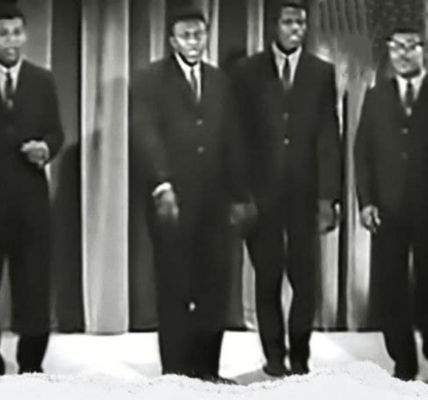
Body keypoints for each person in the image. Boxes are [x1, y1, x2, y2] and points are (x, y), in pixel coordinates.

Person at [131, 3, 250, 383]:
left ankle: (207, 369)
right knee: (175, 287)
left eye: (199, 34)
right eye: (186, 35)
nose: (194, 42)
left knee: (215, 287)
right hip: (172, 202)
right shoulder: (149, 80)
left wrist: (239, 195)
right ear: (172, 40)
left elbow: (232, 140)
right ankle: (176, 371)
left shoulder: (220, 82)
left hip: (215, 203)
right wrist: (162, 184)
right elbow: (144, 134)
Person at [231, 0, 341, 377]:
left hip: (305, 195)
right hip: (260, 197)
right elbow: (237, 138)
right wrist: (241, 195)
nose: (297, 29)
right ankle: (274, 356)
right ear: (274, 26)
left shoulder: (321, 72)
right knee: (267, 279)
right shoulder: (246, 72)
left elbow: (329, 136)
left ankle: (300, 356)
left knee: (305, 282)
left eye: (302, 22)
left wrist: (327, 197)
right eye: (290, 21)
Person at [354, 23, 428, 381]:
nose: (403, 53)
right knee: (391, 286)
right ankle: (403, 360)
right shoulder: (376, 96)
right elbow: (363, 153)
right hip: (388, 209)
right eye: (396, 47)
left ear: (424, 50)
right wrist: (366, 202)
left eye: (411, 46)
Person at [0, 2, 64, 374]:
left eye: (16, 33)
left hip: (30, 202)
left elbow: (56, 133)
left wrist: (46, 149)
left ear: (25, 36)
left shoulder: (42, 80)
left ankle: (31, 365)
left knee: (34, 288)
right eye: (3, 33)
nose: (10, 40)